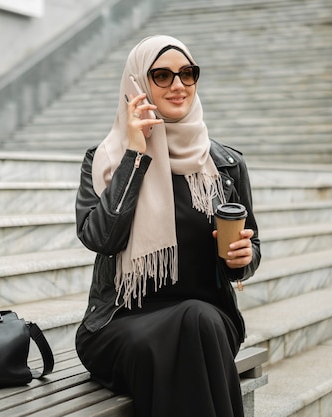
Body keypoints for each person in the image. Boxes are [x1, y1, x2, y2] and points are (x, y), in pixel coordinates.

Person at [74, 35, 261, 417]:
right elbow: (101, 238)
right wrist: (135, 154)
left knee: (197, 320)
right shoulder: (105, 159)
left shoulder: (224, 165)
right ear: (138, 84)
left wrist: (242, 258)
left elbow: (250, 250)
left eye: (187, 74)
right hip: (121, 323)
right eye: (162, 75)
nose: (178, 85)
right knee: (190, 333)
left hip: (210, 319)